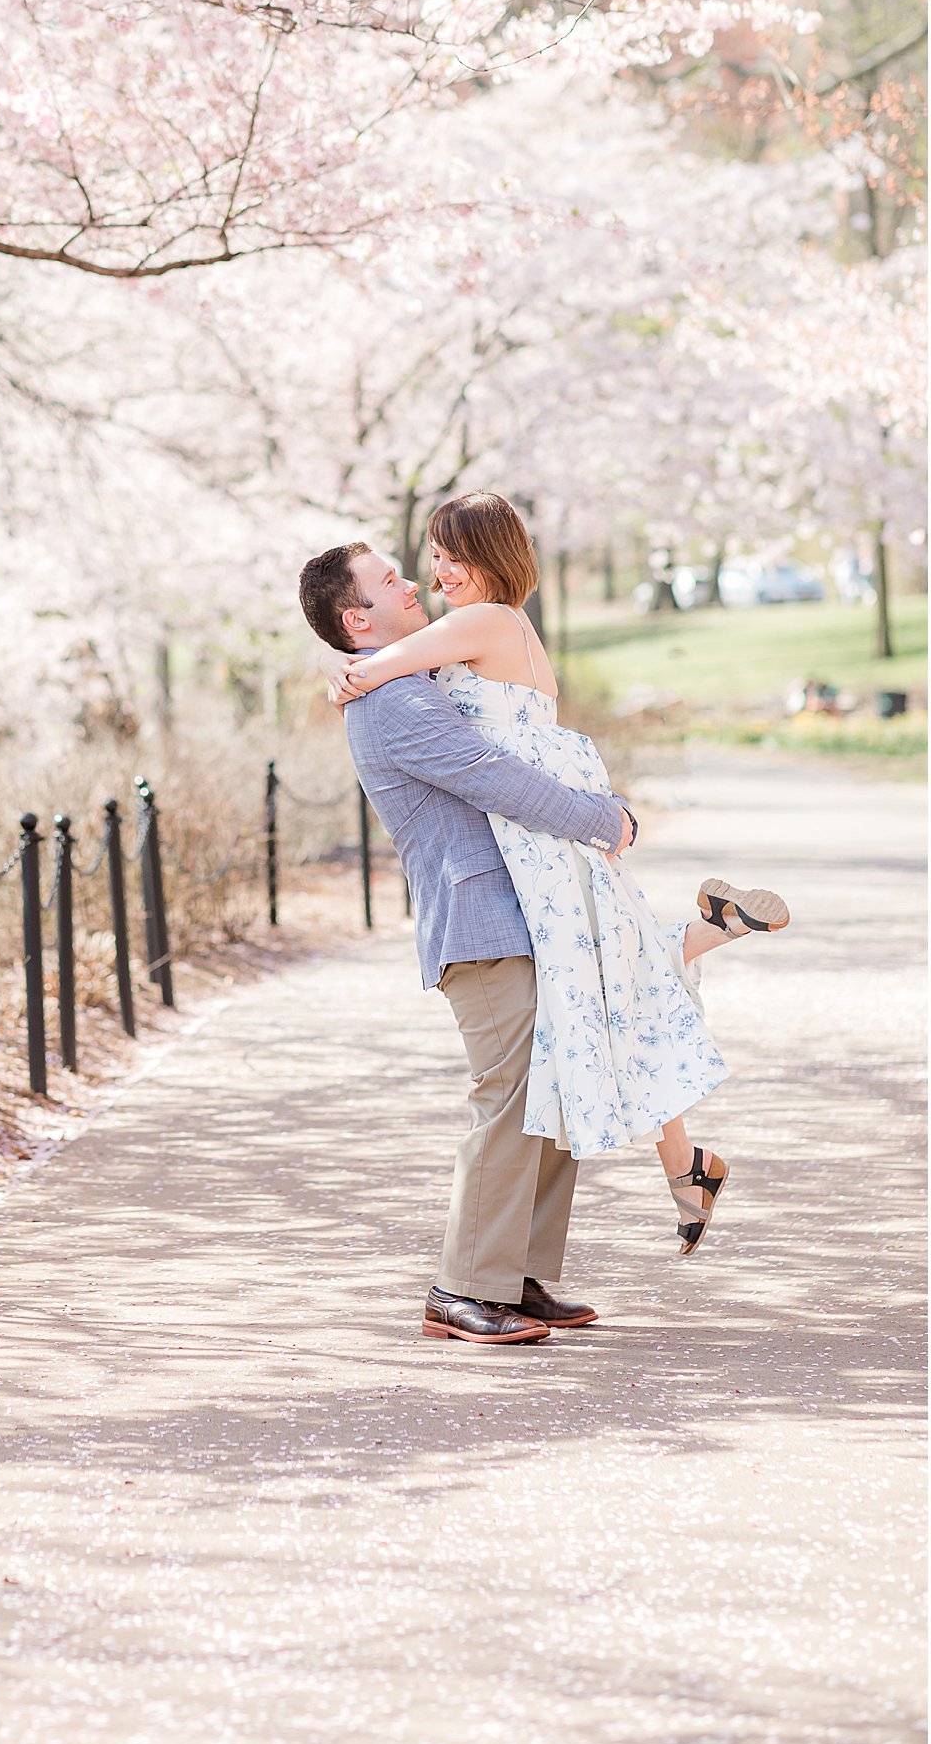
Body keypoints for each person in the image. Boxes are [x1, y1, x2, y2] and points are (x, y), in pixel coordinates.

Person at [298, 509, 787, 1347]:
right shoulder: (389, 701)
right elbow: (490, 774)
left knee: (557, 1083)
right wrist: (603, 816)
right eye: (389, 580)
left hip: (525, 909)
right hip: (480, 919)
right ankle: (462, 1287)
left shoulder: (409, 676)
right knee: (511, 1097)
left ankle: (512, 1276)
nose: (411, 579)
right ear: (357, 620)